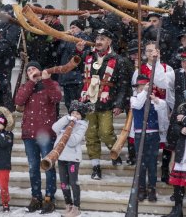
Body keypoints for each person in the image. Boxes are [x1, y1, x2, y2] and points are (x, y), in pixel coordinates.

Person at [77, 28, 129, 180]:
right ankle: (96, 167)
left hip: (106, 103)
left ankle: (115, 151)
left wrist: (119, 103)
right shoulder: (87, 55)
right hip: (88, 102)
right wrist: (78, 52)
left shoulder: (118, 59)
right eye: (97, 38)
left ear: (109, 42)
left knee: (106, 133)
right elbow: (73, 67)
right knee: (91, 136)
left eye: (102, 38)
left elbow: (122, 84)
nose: (98, 41)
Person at [15, 61, 62, 214]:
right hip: (29, 134)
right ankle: (36, 197)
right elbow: (19, 101)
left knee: (48, 167)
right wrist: (30, 82)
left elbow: (56, 97)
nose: (31, 71)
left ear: (40, 70)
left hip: (46, 134)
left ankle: (49, 198)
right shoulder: (26, 86)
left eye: (34, 68)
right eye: (28, 70)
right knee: (33, 168)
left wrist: (46, 80)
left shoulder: (50, 83)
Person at [132, 41, 172, 183]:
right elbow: (135, 91)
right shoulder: (140, 70)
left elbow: (170, 90)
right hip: (144, 110)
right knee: (145, 151)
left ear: (159, 52)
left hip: (160, 107)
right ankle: (143, 182)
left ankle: (165, 170)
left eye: (153, 50)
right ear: (144, 53)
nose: (151, 53)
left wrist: (170, 108)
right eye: (148, 51)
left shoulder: (167, 68)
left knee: (166, 140)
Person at [131, 75, 168, 202]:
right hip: (139, 134)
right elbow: (137, 105)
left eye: (145, 88)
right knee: (141, 164)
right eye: (140, 88)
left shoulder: (157, 101)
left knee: (152, 163)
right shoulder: (134, 99)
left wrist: (156, 100)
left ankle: (152, 188)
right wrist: (144, 93)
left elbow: (163, 113)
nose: (142, 90)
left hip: (153, 135)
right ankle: (141, 188)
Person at [164, 81, 186, 216]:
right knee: (178, 182)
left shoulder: (184, 114)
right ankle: (178, 208)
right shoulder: (183, 109)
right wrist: (180, 129)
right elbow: (174, 127)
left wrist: (185, 120)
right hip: (183, 150)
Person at [52, 100, 89, 217]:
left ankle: (76, 207)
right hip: (61, 157)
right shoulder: (65, 122)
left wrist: (69, 130)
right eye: (73, 113)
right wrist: (66, 120)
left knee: (73, 182)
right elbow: (54, 128)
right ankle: (68, 204)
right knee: (63, 183)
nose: (75, 116)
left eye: (78, 114)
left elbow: (73, 141)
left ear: (81, 116)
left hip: (73, 158)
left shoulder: (82, 125)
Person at [57, 19, 91, 111]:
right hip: (66, 75)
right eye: (70, 27)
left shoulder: (84, 38)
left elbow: (76, 54)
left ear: (80, 29)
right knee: (68, 102)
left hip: (76, 76)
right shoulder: (67, 38)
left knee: (76, 101)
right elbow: (59, 51)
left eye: (74, 27)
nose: (71, 29)